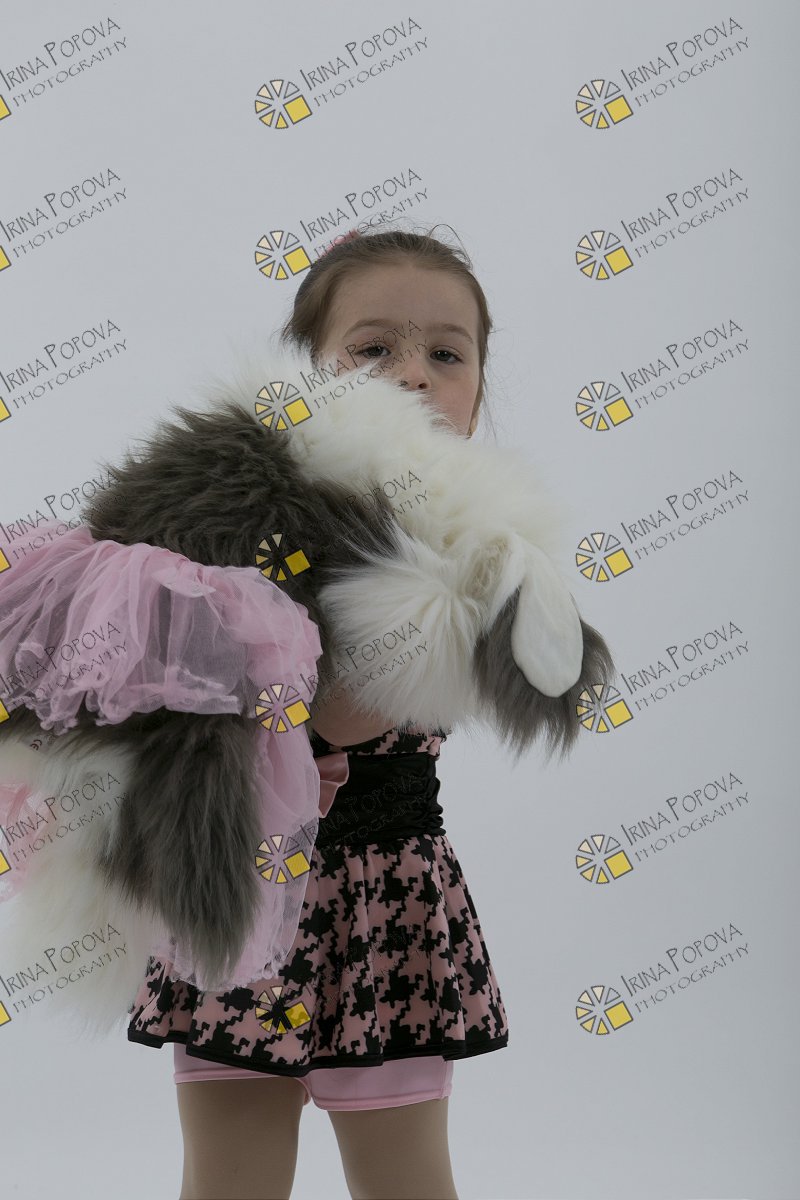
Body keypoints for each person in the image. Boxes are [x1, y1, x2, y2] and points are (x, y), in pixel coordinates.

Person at [126, 226, 506, 1200]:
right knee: (230, 1180)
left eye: (446, 354)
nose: (412, 375)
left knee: (407, 1181)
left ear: (478, 389)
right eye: (373, 349)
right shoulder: (253, 520)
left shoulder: (482, 537)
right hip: (242, 889)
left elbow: (366, 713)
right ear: (305, 370)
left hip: (388, 906)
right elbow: (285, 704)